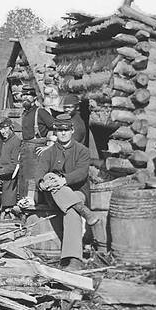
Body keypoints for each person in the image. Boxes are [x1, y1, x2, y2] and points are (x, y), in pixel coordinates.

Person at [35, 114, 101, 268]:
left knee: (71, 211)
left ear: (72, 130)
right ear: (55, 133)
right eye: (59, 130)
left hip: (77, 192)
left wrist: (63, 180)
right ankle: (83, 210)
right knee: (50, 175)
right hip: (54, 195)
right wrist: (42, 183)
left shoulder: (82, 151)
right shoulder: (48, 153)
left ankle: (73, 260)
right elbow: (39, 172)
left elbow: (81, 173)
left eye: (66, 130)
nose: (63, 133)